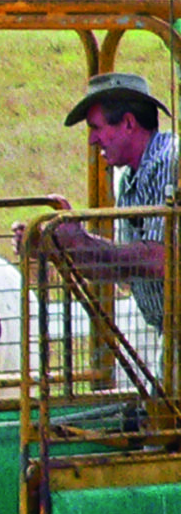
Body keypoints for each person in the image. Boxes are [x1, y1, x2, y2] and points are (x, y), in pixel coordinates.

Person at [51, 71, 177, 330]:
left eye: (97, 128)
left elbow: (158, 259)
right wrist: (59, 247)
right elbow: (121, 269)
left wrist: (81, 241)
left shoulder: (167, 161)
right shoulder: (130, 179)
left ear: (128, 123)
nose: (92, 140)